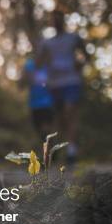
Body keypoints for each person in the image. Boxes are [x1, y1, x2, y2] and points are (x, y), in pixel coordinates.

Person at [36, 10, 88, 164]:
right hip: (55, 84)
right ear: (51, 22)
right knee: (59, 118)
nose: (56, 21)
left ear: (63, 20)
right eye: (54, 19)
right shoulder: (47, 42)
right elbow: (38, 63)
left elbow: (86, 54)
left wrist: (80, 64)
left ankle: (72, 151)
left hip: (71, 81)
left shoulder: (73, 38)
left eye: (59, 18)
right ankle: (59, 149)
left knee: (69, 112)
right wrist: (43, 58)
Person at [21, 57, 54, 141]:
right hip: (34, 104)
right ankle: (48, 149)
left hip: (48, 103)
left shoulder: (48, 64)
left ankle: (51, 150)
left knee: (48, 129)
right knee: (40, 130)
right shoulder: (29, 65)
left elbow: (53, 81)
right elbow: (22, 83)